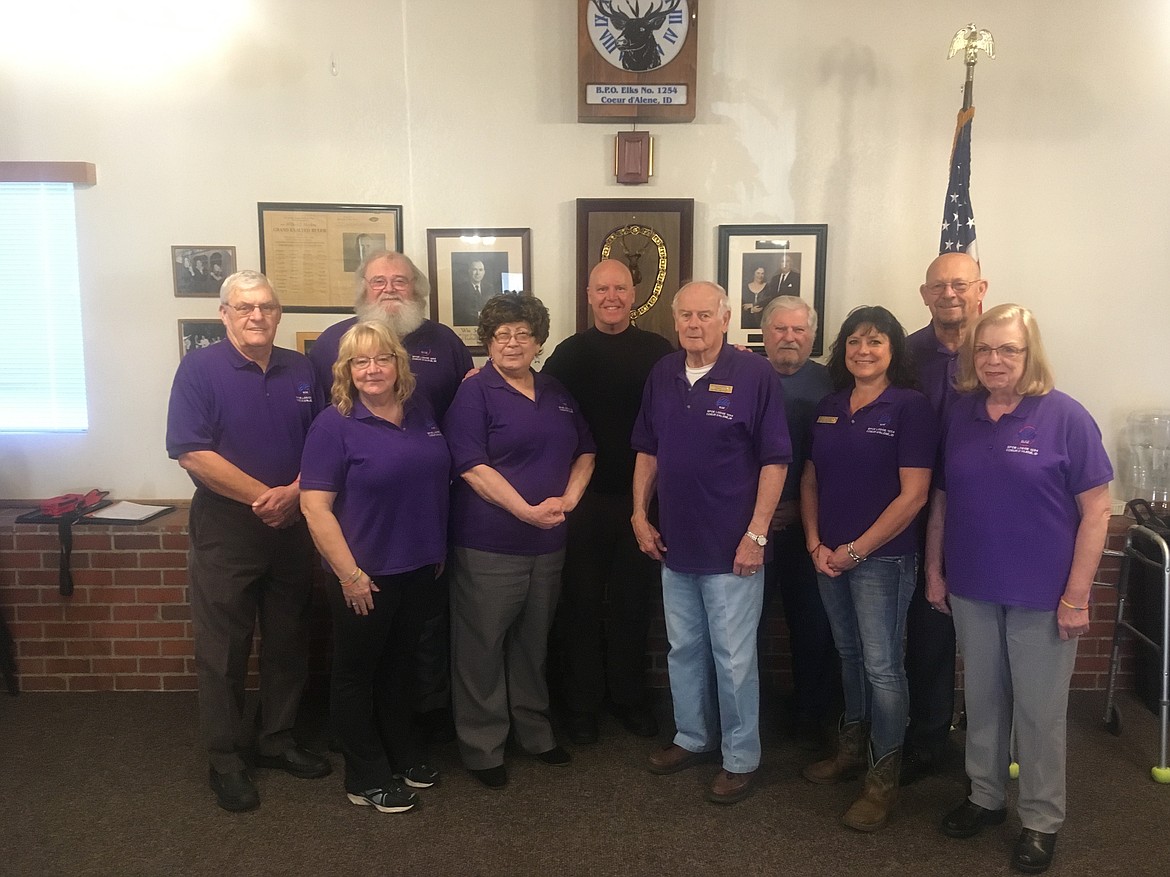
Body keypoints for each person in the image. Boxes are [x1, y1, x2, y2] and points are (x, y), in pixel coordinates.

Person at [927, 304, 1112, 875]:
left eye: (1008, 349)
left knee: (1038, 712)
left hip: (1042, 593)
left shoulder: (1066, 418)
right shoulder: (961, 414)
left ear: (1030, 354)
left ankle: (1039, 819)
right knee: (982, 701)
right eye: (984, 350)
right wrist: (935, 570)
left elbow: (1099, 510)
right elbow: (943, 500)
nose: (994, 360)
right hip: (973, 585)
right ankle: (985, 797)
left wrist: (1077, 595)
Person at [166, 270, 330, 813]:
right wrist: (269, 497)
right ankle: (226, 758)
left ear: (279, 313)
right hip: (227, 529)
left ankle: (276, 739)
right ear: (224, 314)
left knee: (288, 640)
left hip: (293, 527)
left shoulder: (301, 367)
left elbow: (325, 442)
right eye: (244, 307)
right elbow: (192, 451)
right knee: (223, 650)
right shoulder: (199, 369)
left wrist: (295, 495)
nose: (256, 316)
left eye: (266, 307)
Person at [632, 281, 791, 806]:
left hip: (733, 549)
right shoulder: (663, 373)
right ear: (675, 322)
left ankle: (741, 757)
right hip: (676, 543)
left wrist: (757, 534)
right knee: (684, 649)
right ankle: (692, 737)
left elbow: (775, 460)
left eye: (705, 315)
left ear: (725, 319)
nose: (694, 324)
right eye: (685, 316)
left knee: (734, 657)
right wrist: (638, 513)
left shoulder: (754, 375)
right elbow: (648, 450)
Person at [308, 249, 472, 740]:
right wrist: (349, 572)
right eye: (378, 281)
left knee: (413, 651)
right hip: (364, 545)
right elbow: (320, 480)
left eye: (400, 281)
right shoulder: (331, 362)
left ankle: (411, 739)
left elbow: (460, 424)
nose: (389, 289)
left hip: (422, 540)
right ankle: (361, 754)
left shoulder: (441, 350)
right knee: (362, 661)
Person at [444, 294, 596, 789]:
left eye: (523, 334)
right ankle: (483, 745)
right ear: (488, 341)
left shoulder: (555, 389)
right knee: (481, 647)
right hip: (490, 544)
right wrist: (526, 511)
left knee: (533, 644)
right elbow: (471, 465)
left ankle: (534, 732)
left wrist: (569, 501)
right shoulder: (475, 392)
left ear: (538, 341)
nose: (512, 342)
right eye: (502, 334)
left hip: (548, 544)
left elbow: (586, 451)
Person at [300, 321, 452, 815]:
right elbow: (314, 508)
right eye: (360, 361)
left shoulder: (421, 410)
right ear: (346, 370)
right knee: (356, 674)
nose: (372, 369)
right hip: (364, 574)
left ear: (398, 364)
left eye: (381, 358)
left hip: (417, 566)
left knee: (400, 666)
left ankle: (401, 755)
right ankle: (364, 775)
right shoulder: (333, 423)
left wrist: (435, 550)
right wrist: (349, 575)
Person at [800, 305, 937, 832]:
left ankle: (883, 780)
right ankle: (851, 748)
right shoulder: (830, 406)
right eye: (854, 341)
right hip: (827, 556)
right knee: (849, 653)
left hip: (883, 558)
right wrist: (815, 543)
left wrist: (856, 550)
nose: (863, 350)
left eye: (875, 342)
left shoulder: (911, 407)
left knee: (883, 667)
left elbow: (915, 494)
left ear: (893, 350)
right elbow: (810, 478)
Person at [543, 259, 674, 745]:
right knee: (578, 606)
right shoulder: (568, 355)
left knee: (632, 606)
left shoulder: (661, 353)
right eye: (602, 288)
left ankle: (629, 699)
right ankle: (581, 706)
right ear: (589, 294)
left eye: (620, 287)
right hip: (584, 501)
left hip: (643, 501)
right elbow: (534, 399)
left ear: (634, 293)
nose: (611, 296)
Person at [902, 251, 989, 785]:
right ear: (925, 293)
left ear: (981, 288)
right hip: (915, 515)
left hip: (984, 517)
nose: (950, 294)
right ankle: (928, 739)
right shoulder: (905, 356)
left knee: (990, 639)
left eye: (960, 284)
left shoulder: (1001, 350)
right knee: (929, 633)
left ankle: (989, 742)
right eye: (940, 286)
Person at [758, 295, 837, 747]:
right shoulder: (746, 378)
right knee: (749, 628)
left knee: (812, 627)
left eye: (799, 330)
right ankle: (755, 716)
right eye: (780, 329)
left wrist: (803, 511)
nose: (789, 337)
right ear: (764, 333)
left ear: (812, 335)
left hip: (813, 530)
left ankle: (812, 717)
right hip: (754, 529)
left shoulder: (832, 384)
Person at [452, 259, 497, 326]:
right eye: (474, 270)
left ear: (484, 272)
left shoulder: (490, 288)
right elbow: (460, 310)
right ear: (469, 271)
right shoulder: (460, 289)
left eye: (480, 270)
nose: (477, 273)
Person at [741, 265, 770, 329]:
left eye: (762, 273)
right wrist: (751, 310)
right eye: (758, 273)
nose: (760, 276)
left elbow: (768, 301)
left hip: (763, 321)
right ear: (753, 274)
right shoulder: (745, 287)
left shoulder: (768, 287)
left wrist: (753, 304)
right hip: (747, 323)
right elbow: (742, 306)